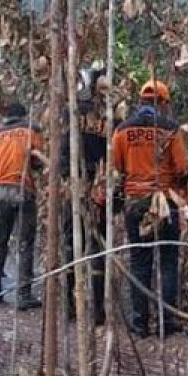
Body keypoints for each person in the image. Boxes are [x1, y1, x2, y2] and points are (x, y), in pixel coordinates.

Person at [112, 79, 188, 337]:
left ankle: (139, 323)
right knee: (168, 261)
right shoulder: (170, 129)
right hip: (165, 201)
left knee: (139, 263)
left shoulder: (122, 130)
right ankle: (167, 321)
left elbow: (118, 169)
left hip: (135, 202)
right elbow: (182, 169)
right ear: (163, 103)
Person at [0, 101, 44, 310]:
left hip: (0, 192)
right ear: (23, 115)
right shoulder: (31, 130)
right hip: (22, 190)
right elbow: (37, 162)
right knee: (25, 244)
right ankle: (23, 295)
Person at [62, 64, 109, 324]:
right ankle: (97, 310)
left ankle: (71, 305)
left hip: (75, 187)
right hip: (98, 189)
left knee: (71, 246)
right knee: (98, 249)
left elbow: (61, 151)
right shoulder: (108, 116)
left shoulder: (69, 114)